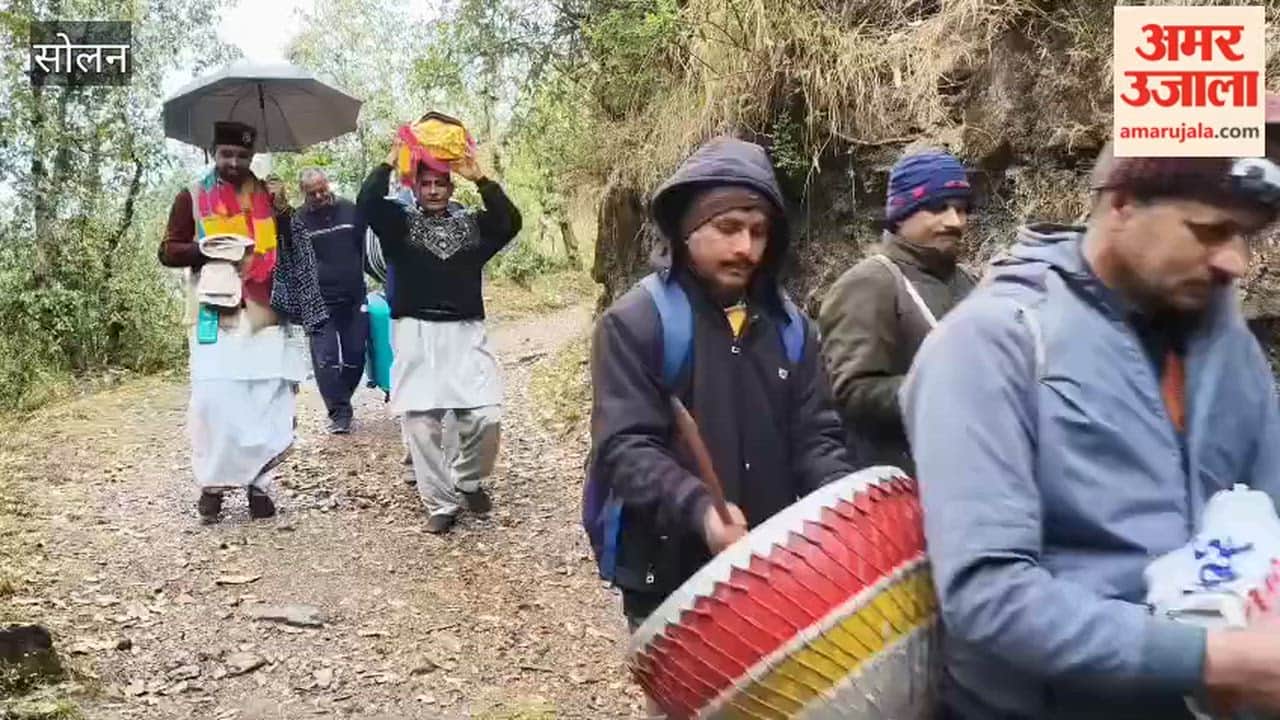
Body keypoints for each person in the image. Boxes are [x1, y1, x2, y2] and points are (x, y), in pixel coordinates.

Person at [900, 144, 1280, 719]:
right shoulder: (991, 343)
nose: (1236, 262)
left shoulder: (1226, 345)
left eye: (1246, 235)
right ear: (1122, 204)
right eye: (1210, 230)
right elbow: (988, 595)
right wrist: (1213, 658)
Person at [585, 135, 856, 636]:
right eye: (727, 228)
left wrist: (844, 501)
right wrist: (702, 511)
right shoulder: (637, 323)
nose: (745, 248)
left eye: (758, 232)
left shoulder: (793, 330)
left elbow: (817, 437)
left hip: (772, 568)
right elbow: (625, 448)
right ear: (687, 231)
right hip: (669, 574)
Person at [158, 121, 324, 524]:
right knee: (214, 404)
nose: (234, 162)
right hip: (214, 315)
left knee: (265, 401)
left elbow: (294, 246)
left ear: (252, 156)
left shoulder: (269, 195)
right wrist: (205, 249)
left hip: (267, 312)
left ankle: (260, 484)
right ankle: (212, 486)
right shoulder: (192, 197)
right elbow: (167, 251)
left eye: (242, 156)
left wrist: (284, 212)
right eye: (226, 154)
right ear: (213, 153)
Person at [357, 132, 521, 534]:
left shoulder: (473, 226)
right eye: (426, 184)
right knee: (421, 423)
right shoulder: (398, 225)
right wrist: (389, 163)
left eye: (440, 184)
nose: (433, 190)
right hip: (415, 333)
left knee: (486, 415)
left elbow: (510, 221)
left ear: (450, 187)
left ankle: (466, 478)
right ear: (415, 187)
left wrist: (481, 178)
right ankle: (440, 503)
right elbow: (366, 204)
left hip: (466, 332)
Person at [816, 149, 976, 472]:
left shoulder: (971, 282)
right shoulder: (870, 283)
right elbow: (851, 393)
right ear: (902, 213)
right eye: (938, 208)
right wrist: (944, 387)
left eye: (961, 209)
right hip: (902, 489)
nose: (954, 221)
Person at [293, 167, 369, 434]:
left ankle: (343, 396)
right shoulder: (298, 220)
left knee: (356, 354)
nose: (319, 195)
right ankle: (339, 413)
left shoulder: (350, 210)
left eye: (322, 189)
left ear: (328, 184)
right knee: (325, 359)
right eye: (312, 193)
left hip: (353, 296)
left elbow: (366, 248)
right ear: (303, 193)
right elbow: (295, 262)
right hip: (318, 300)